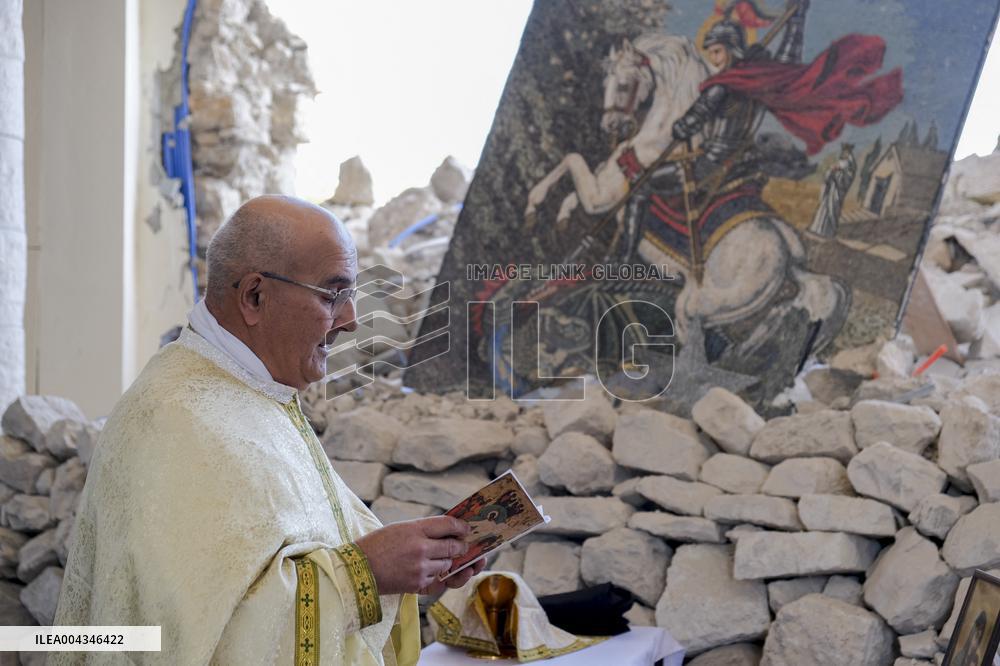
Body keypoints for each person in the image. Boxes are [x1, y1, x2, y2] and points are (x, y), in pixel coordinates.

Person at [52, 195, 485, 665]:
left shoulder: (257, 393)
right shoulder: (171, 419)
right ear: (255, 296)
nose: (351, 320)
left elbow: (301, 556)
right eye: (332, 295)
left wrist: (415, 565)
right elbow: (182, 639)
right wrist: (368, 573)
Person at [808, 143, 856, 238]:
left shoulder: (850, 165)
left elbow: (847, 179)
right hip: (830, 190)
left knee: (832, 210)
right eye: (844, 151)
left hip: (837, 193)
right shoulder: (840, 161)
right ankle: (817, 229)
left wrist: (837, 174)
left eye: (846, 151)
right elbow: (829, 174)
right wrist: (830, 172)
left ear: (849, 153)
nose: (844, 153)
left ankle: (828, 233)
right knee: (824, 209)